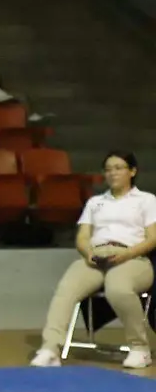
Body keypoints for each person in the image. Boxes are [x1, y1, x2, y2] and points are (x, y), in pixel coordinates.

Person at [31, 151, 156, 368]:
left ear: (132, 171)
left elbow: (153, 238)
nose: (112, 173)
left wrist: (127, 254)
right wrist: (87, 253)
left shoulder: (147, 200)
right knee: (66, 288)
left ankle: (139, 348)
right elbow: (83, 236)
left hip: (133, 257)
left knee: (117, 288)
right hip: (97, 256)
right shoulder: (95, 202)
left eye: (118, 168)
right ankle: (50, 348)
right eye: (108, 169)